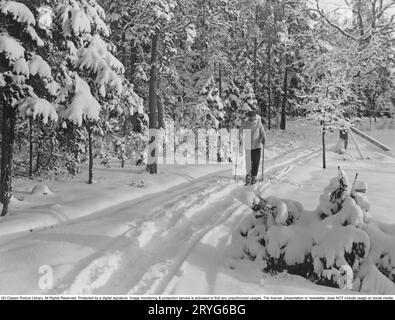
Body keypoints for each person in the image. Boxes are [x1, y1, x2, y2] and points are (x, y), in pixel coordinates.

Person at [241, 110, 266, 185]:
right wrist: (239, 137)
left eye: (253, 117)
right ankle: (248, 175)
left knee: (256, 161)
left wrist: (263, 139)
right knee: (248, 161)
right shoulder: (246, 124)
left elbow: (262, 131)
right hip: (248, 144)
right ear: (248, 117)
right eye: (250, 117)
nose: (252, 118)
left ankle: (254, 176)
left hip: (257, 144)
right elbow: (240, 131)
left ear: (255, 116)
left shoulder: (258, 123)